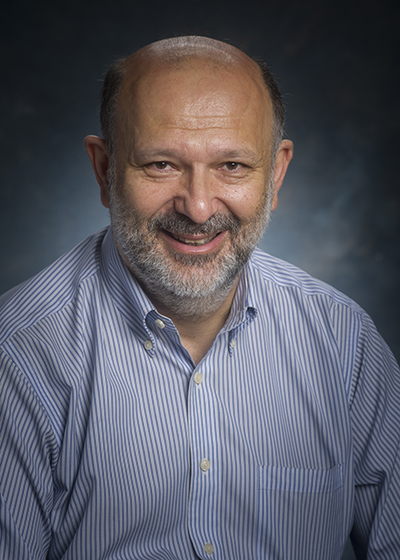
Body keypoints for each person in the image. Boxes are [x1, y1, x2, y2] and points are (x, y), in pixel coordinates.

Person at [0, 35, 399, 560]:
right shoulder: (20, 354)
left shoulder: (344, 342)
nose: (198, 205)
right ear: (103, 170)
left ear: (275, 174)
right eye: (161, 164)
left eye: (233, 165)